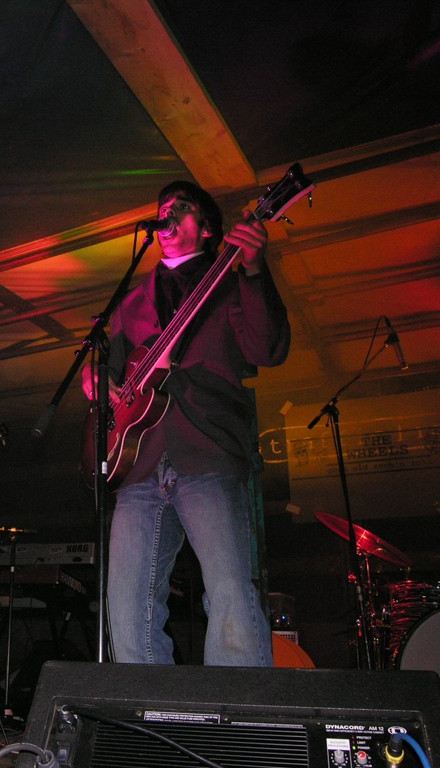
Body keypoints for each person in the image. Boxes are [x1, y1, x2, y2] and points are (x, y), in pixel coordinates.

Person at [82, 180, 290, 667]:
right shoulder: (132, 302)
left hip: (207, 449)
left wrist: (254, 270)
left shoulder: (231, 282)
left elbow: (267, 348)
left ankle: (241, 712)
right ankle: (152, 710)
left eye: (181, 208)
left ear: (208, 227)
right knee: (126, 610)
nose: (168, 216)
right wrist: (97, 385)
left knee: (230, 595)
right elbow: (113, 374)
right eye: (163, 209)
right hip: (138, 463)